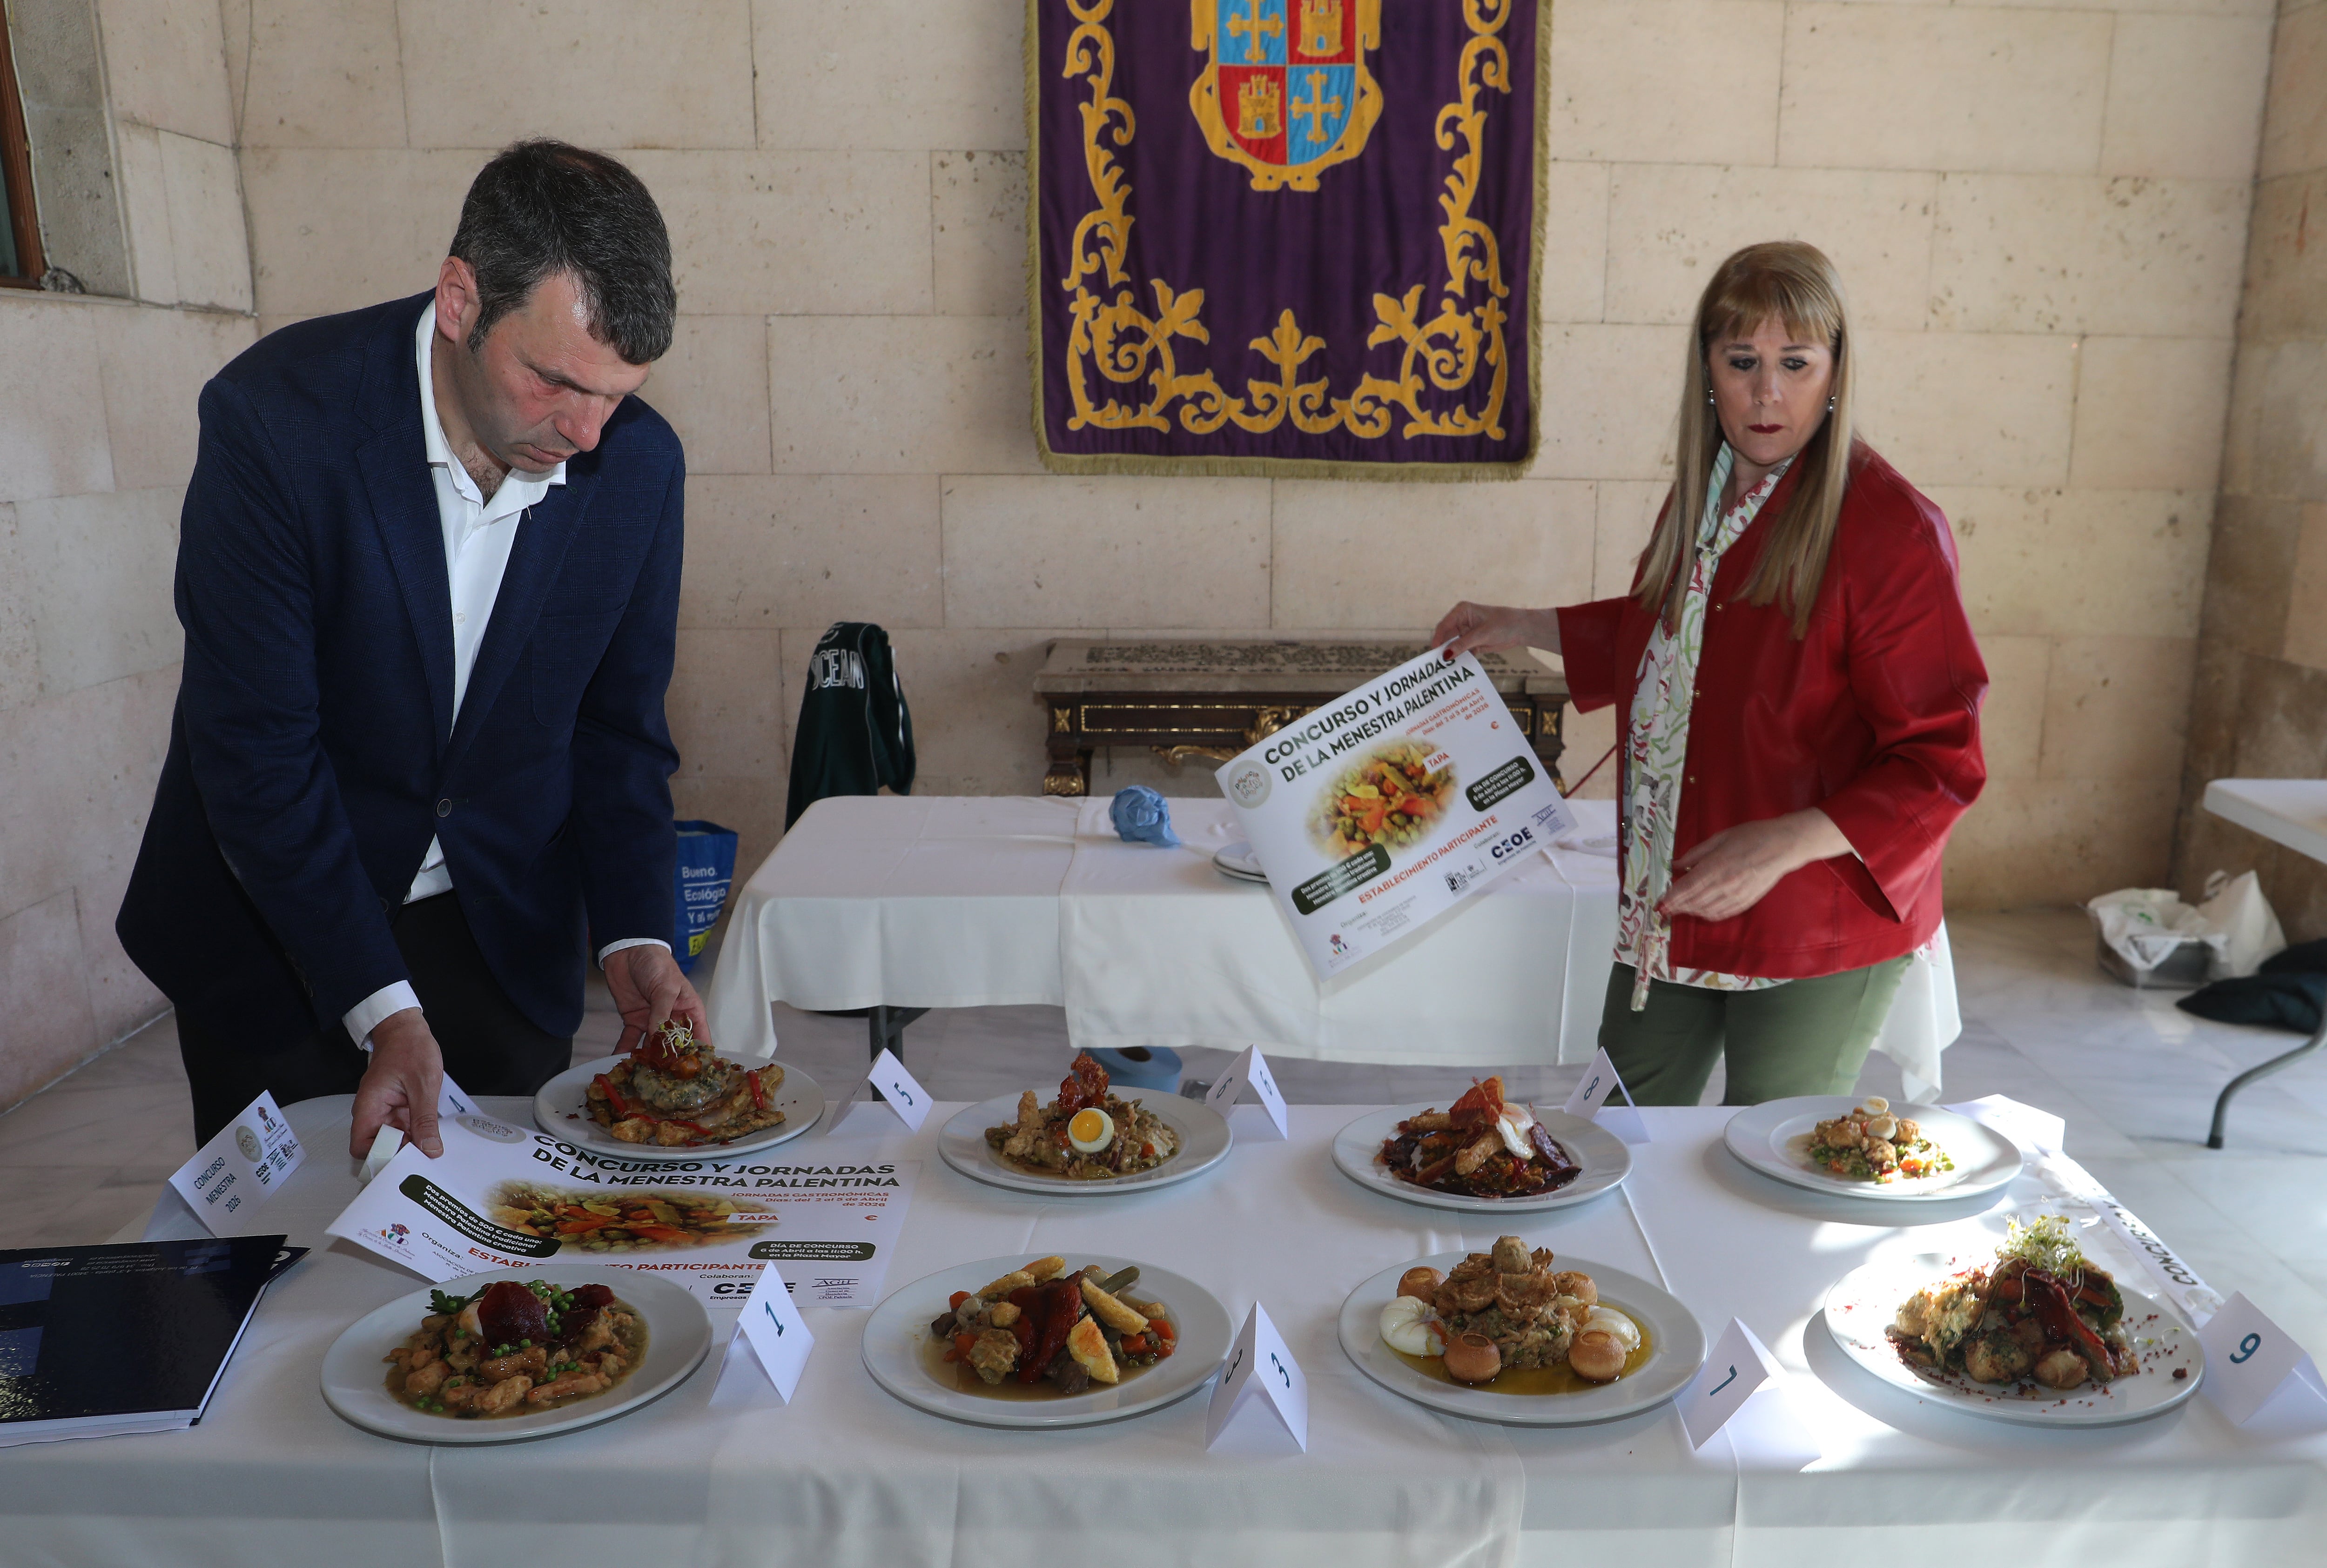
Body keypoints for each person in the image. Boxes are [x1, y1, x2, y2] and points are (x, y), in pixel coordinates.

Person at [118, 140, 709, 1159]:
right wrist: (382, 1007)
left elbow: (618, 733)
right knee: (297, 1243)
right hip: (277, 931)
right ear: (460, 300)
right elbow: (256, 755)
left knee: (517, 1238)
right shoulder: (277, 422)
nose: (586, 432)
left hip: (500, 933)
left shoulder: (641, 467)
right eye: (554, 381)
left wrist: (636, 934)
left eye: (616, 393)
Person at [1435, 241, 1986, 1105]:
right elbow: (1679, 636)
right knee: (1618, 1131)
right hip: (1676, 894)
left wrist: (1788, 839)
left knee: (1764, 1154)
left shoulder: (1891, 530)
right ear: (1707, 371)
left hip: (1813, 911)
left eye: (1795, 363)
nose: (1767, 393)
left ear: (1835, 372)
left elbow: (1942, 760)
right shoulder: (1706, 492)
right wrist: (1526, 625)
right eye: (1742, 362)